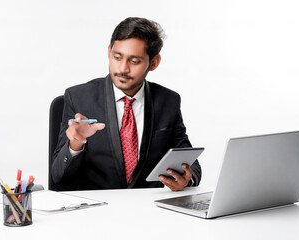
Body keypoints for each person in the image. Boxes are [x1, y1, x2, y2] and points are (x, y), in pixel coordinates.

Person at [51, 17, 201, 191]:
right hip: (98, 210)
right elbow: (59, 177)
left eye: (134, 61)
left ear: (153, 62)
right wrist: (75, 144)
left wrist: (186, 179)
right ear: (109, 52)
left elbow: (191, 164)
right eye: (117, 57)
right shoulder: (79, 98)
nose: (123, 68)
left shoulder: (168, 101)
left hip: (150, 210)